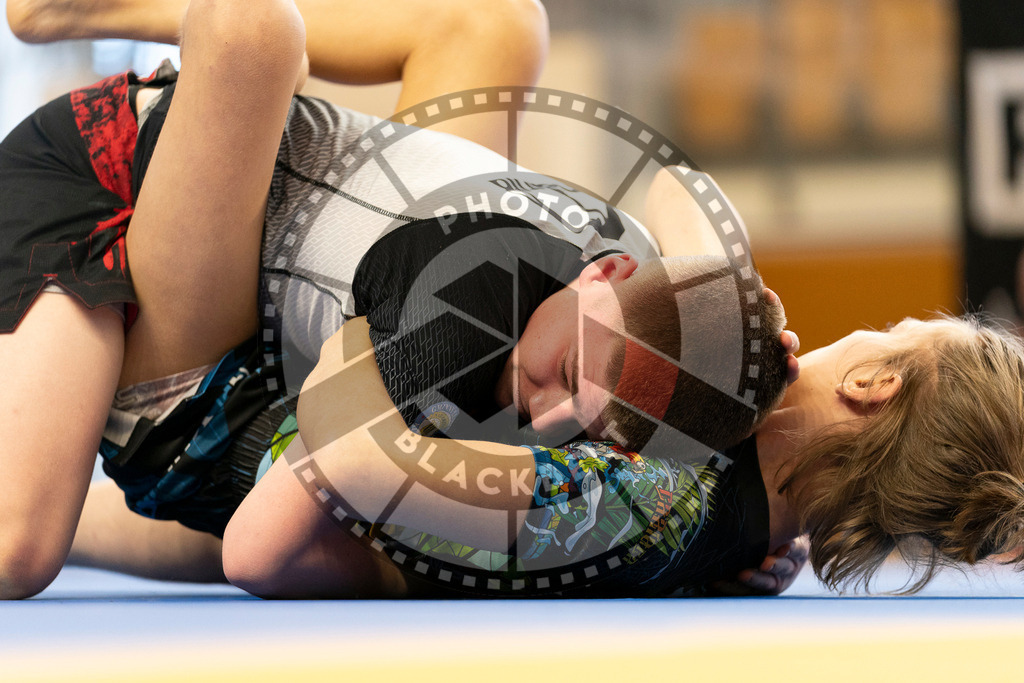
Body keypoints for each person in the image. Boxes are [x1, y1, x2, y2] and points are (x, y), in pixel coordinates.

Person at [44, 4, 1024, 600]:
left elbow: (301, 513)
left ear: (872, 380)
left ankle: (205, 109)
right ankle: (110, 29)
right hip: (327, 361)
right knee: (500, 25)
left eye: (889, 325)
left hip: (232, 391)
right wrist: (697, 291)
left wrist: (397, 360)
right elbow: (678, 194)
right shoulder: (758, 476)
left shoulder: (657, 499)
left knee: (258, 48)